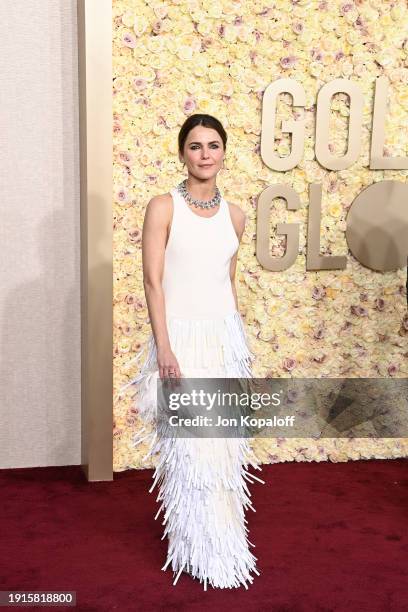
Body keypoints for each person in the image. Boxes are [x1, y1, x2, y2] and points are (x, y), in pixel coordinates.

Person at [122, 113, 264, 590]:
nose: (206, 154)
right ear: (182, 152)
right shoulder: (163, 207)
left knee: (223, 451)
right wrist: (166, 348)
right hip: (181, 341)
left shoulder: (237, 215)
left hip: (224, 340)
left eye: (214, 145)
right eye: (196, 146)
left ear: (225, 152)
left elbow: (226, 279)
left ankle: (225, 545)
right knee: (191, 451)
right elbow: (152, 281)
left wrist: (239, 344)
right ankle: (194, 547)